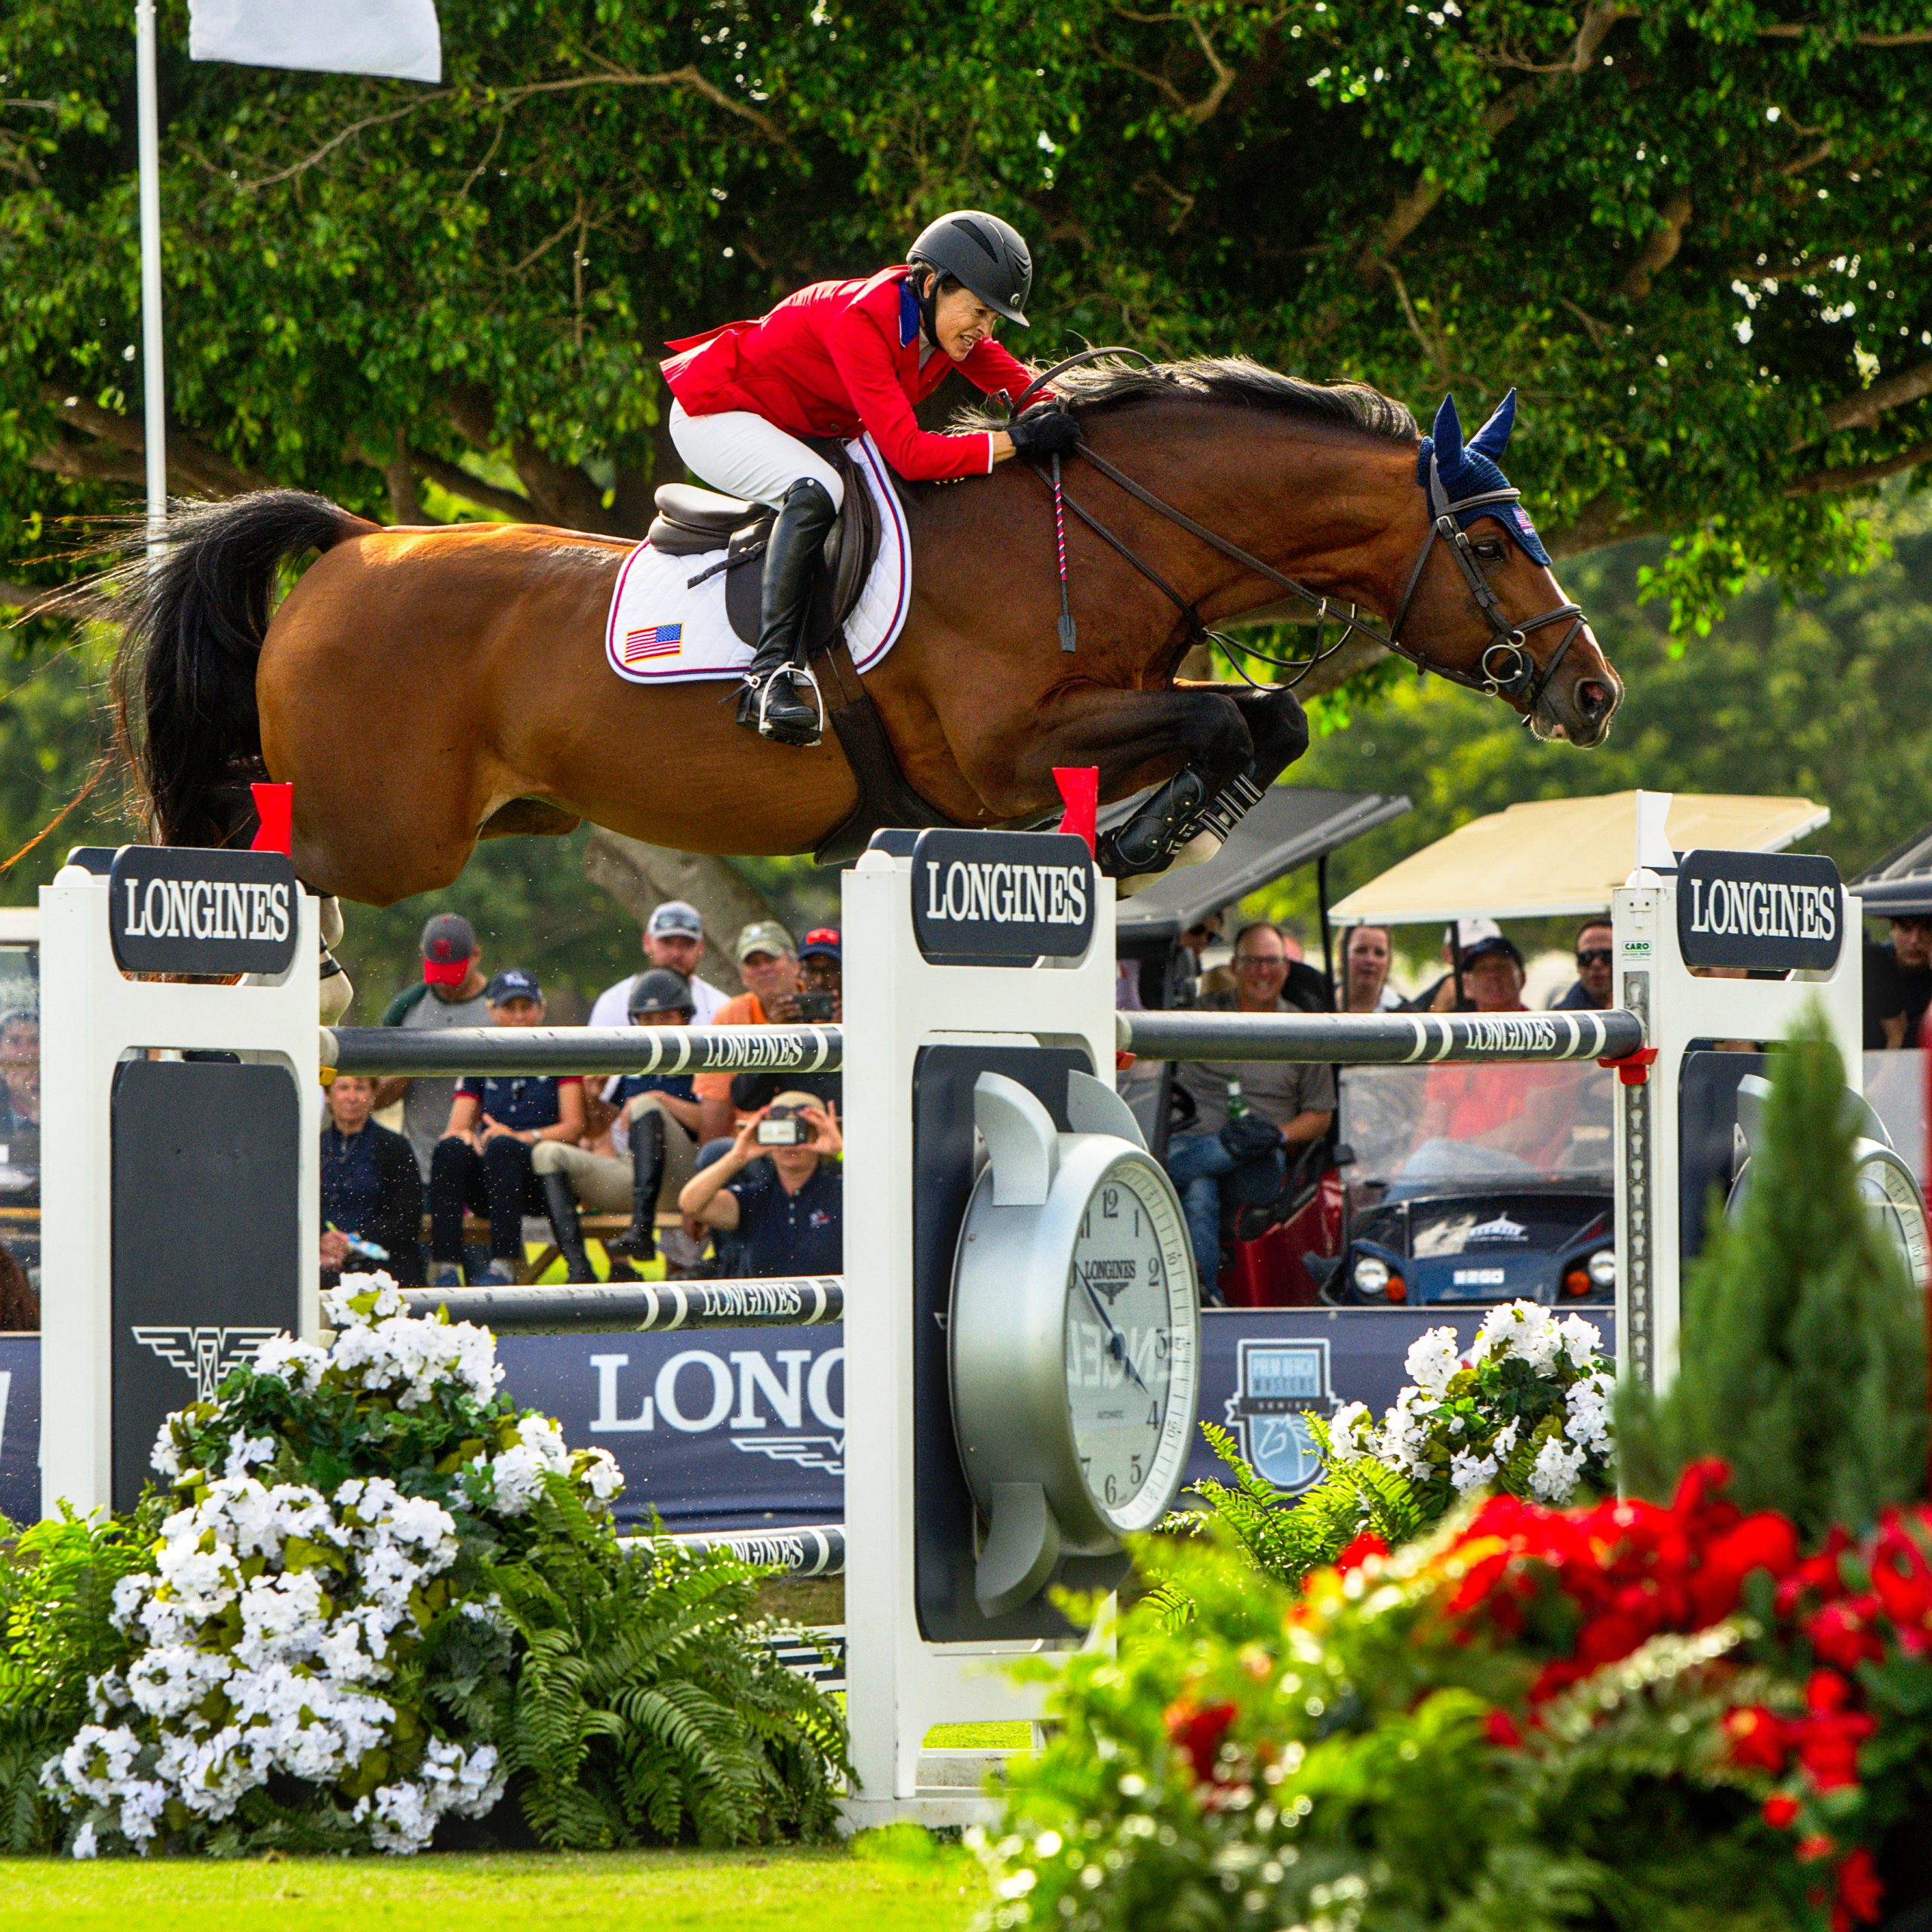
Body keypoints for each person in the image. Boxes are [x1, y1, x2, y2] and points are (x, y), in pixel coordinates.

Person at [661, 210, 1074, 746]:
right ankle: (767, 678)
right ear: (931, 285)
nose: (985, 330)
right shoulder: (861, 320)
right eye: (978, 311)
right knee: (818, 490)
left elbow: (1032, 389)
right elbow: (908, 455)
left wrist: (1072, 414)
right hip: (716, 412)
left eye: (994, 319)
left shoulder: (943, 328)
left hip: (797, 425)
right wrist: (1015, 442)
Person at [1161, 922, 1337, 1305]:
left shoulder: (1305, 1030)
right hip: (1195, 1141)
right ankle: (1205, 1302)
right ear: (1235, 967)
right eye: (1253, 961)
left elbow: (1320, 1116)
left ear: (1286, 968)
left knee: (1187, 1168)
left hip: (1259, 1163)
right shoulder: (1199, 1018)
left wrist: (1277, 1136)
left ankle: (1162, 1177)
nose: (1263, 971)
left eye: (1272, 962)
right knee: (1200, 1191)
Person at [532, 968, 706, 1278]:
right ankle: (579, 1270)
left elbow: (715, 1127)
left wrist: (661, 1100)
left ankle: (641, 1231)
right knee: (547, 1153)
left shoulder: (702, 1058)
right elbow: (607, 1131)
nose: (655, 1028)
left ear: (685, 1017)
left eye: (666, 1018)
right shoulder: (636, 1062)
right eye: (647, 1020)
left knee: (645, 1103)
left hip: (688, 1175)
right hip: (636, 1175)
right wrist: (593, 1101)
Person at [427, 971, 586, 1287]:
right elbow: (456, 1127)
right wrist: (468, 1137)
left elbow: (574, 1126)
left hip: (540, 1179)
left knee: (502, 1147)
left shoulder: (560, 1054)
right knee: (449, 1149)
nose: (518, 1017)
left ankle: (503, 1263)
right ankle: (444, 1266)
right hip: (492, 1179)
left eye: (526, 1008)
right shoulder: (481, 1056)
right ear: (491, 1011)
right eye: (508, 1008)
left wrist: (520, 1138)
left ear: (541, 1009)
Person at [374, 914, 492, 1177]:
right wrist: (404, 1070)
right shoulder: (406, 1009)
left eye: (454, 973)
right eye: (439, 972)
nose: (444, 984)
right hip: (420, 1165)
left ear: (476, 955)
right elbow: (373, 1098)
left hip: (484, 1164)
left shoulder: (502, 1008)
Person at [679, 1094, 844, 1278]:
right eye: (780, 1133)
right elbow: (691, 1205)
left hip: (830, 1305)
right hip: (768, 1306)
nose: (790, 1144)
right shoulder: (756, 1198)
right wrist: (737, 1157)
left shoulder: (842, 1192)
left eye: (801, 1132)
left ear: (819, 1135)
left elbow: (879, 1202)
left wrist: (841, 1153)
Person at [694, 919, 801, 1143]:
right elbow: (716, 1101)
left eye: (770, 959)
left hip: (811, 1136)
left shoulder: (825, 1006)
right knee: (714, 1153)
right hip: (751, 1143)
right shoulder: (730, 1016)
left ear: (795, 965)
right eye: (753, 963)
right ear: (742, 975)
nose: (763, 968)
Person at [319, 1073, 423, 1287]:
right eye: (343, 1088)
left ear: (373, 1093)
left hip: (381, 1262)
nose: (351, 1097)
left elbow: (406, 1219)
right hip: (322, 1260)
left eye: (360, 1088)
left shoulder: (394, 1147)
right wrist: (321, 1240)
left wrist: (354, 1241)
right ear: (328, 1094)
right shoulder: (313, 1147)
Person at [587, 899, 728, 1031]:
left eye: (687, 944)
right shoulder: (613, 1003)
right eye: (667, 942)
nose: (676, 953)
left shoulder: (721, 1008)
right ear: (647, 942)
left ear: (701, 947)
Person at [1406, 917, 1504, 1014]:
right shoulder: (1445, 990)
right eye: (1467, 953)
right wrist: (1440, 1006)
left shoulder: (1507, 985)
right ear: (1448, 954)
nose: (1477, 962)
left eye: (1489, 955)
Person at [1863, 914, 1932, 1048]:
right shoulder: (1875, 966)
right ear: (1893, 930)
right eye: (1906, 930)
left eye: (1927, 930)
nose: (1914, 940)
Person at [1552, 919, 1614, 1011]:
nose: (1596, 964)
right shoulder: (1561, 1020)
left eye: (1607, 956)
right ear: (1578, 965)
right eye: (1586, 957)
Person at [1339, 924, 1401, 1014]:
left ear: (1389, 961)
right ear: (1342, 955)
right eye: (1361, 950)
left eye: (1379, 953)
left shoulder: (1405, 1015)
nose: (1370, 960)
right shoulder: (1318, 1003)